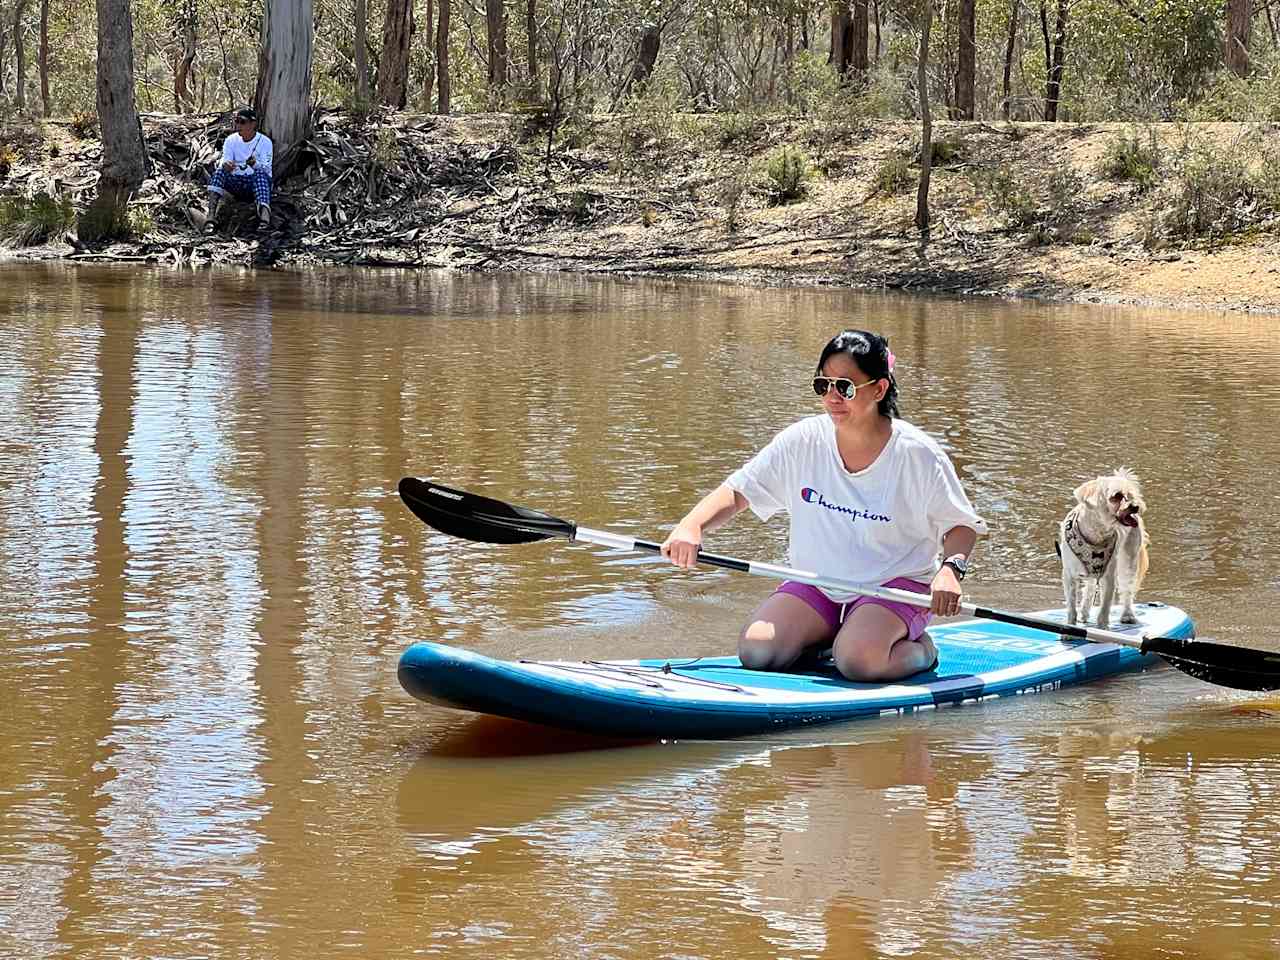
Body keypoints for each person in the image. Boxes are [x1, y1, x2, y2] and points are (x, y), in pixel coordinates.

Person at [660, 329, 987, 683]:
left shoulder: (918, 454)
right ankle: (836, 638)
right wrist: (691, 526)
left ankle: (921, 650)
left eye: (844, 387)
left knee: (858, 662)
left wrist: (950, 571)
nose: (832, 397)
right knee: (757, 652)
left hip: (894, 586)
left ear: (879, 389)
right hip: (819, 584)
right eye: (823, 385)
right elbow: (739, 491)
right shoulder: (802, 440)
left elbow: (961, 526)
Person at [206, 108, 273, 232]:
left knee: (260, 174)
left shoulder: (265, 142)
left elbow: (267, 169)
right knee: (220, 172)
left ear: (253, 124)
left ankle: (264, 219)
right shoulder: (231, 140)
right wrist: (226, 165)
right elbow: (224, 161)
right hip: (236, 182)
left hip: (253, 183)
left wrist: (255, 164)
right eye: (236, 121)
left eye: (242, 122)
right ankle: (210, 217)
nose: (238, 125)